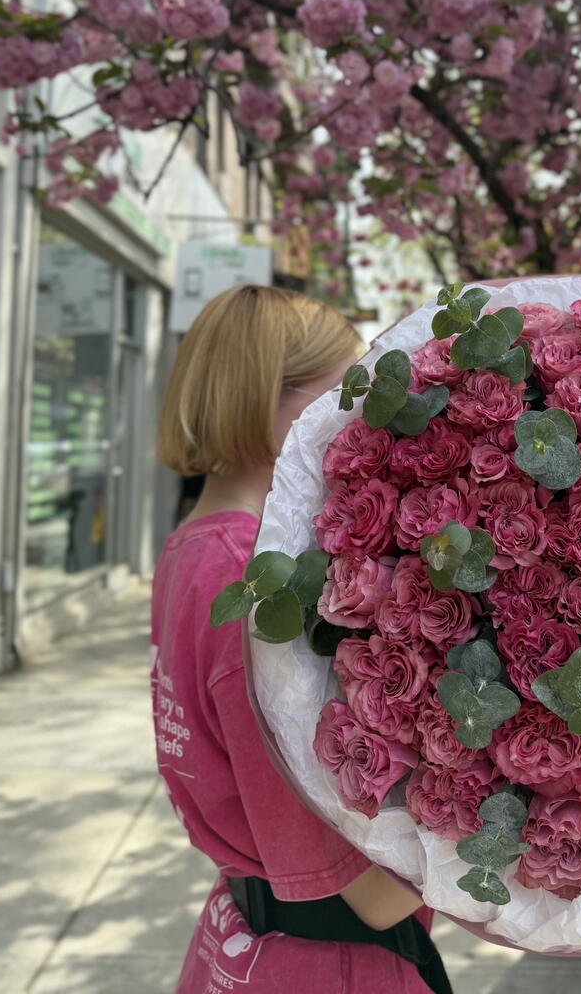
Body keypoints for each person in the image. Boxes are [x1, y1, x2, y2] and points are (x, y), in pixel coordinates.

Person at [152, 285, 449, 993]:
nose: (361, 413)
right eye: (344, 391)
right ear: (274, 399)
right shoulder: (253, 585)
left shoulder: (197, 549)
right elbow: (370, 896)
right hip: (323, 961)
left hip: (245, 937)